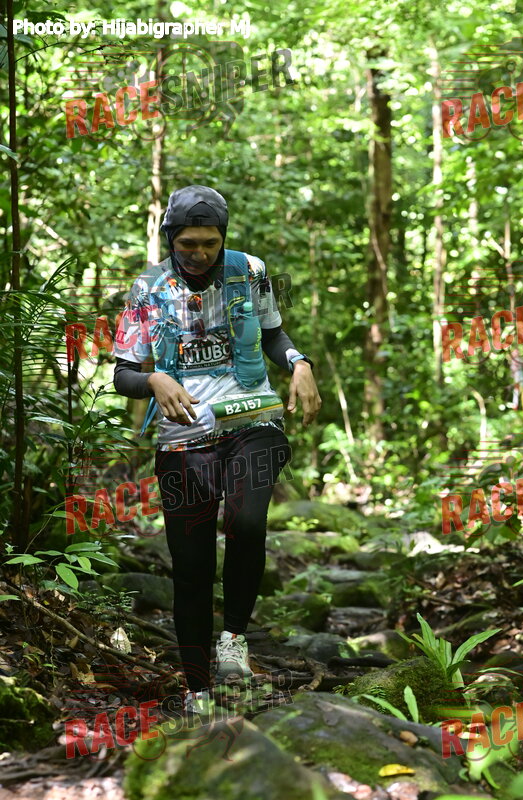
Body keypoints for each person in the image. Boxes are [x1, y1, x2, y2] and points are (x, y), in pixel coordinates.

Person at [112, 185, 321, 718]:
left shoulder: (250, 271)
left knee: (247, 522)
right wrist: (154, 378)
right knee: (192, 565)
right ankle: (197, 689)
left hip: (252, 420)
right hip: (183, 437)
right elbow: (122, 374)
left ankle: (233, 639)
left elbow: (273, 335)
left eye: (210, 243)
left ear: (223, 238)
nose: (200, 253)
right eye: (188, 244)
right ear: (170, 239)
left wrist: (298, 363)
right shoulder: (147, 288)